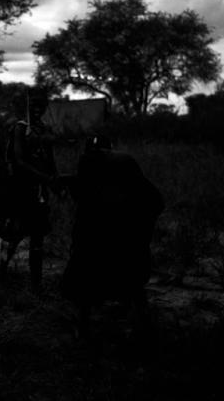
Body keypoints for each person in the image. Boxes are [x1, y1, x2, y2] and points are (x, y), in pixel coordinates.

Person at [61, 135, 164, 337]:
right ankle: (143, 326)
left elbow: (83, 204)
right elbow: (155, 202)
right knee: (132, 278)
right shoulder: (126, 164)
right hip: (129, 235)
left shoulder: (90, 163)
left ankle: (83, 327)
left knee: (84, 274)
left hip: (104, 237)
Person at [0, 90, 59, 292]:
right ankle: (1, 273)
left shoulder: (44, 130)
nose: (37, 109)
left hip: (40, 190)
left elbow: (50, 161)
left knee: (38, 235)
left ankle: (36, 283)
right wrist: (45, 178)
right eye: (33, 105)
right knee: (14, 233)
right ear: (27, 106)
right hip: (22, 189)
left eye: (41, 105)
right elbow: (20, 161)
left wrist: (54, 181)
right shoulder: (20, 128)